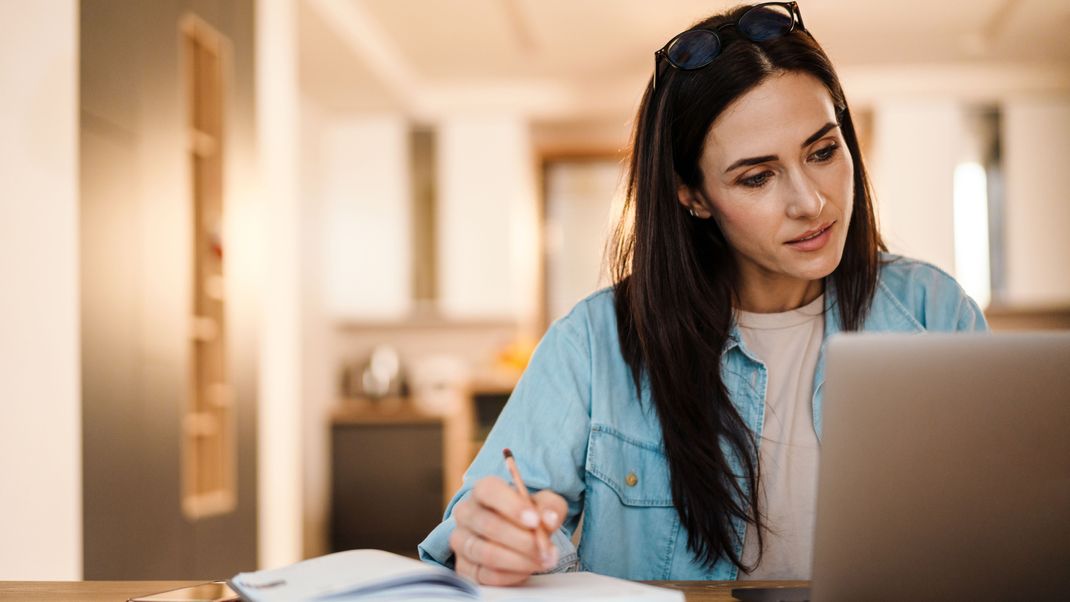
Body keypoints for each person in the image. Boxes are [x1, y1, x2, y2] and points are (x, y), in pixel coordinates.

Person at [418, 1, 987, 585]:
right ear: (692, 195)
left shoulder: (933, 311)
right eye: (757, 176)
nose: (810, 202)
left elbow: (1000, 525)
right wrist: (490, 544)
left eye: (822, 151)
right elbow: (472, 545)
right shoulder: (595, 342)